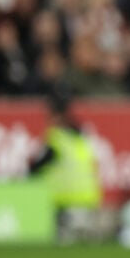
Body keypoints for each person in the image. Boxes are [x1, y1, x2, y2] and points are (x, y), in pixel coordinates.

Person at [28, 87, 103, 244]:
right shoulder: (81, 137)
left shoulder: (56, 137)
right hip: (88, 200)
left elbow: (37, 166)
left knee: (65, 248)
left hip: (66, 202)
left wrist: (29, 167)